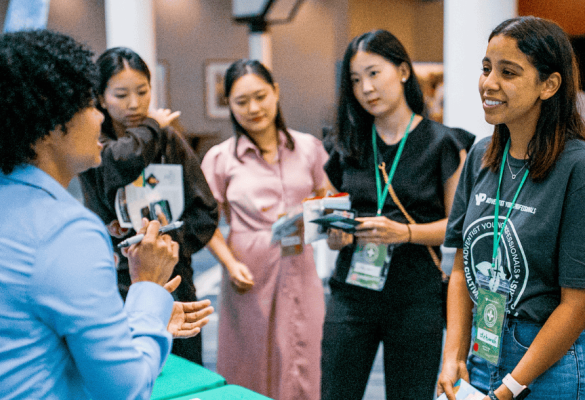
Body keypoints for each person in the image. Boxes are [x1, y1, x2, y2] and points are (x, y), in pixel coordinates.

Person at [0, 29, 213, 400]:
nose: (98, 117)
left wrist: (143, 319)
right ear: (50, 123)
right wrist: (148, 289)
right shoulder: (66, 231)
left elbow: (37, 336)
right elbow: (124, 388)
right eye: (89, 104)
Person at [320, 30, 474, 400]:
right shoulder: (347, 143)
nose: (366, 88)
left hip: (416, 293)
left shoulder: (443, 143)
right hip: (352, 290)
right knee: (336, 392)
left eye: (374, 73)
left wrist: (403, 232)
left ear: (403, 71)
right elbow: (333, 206)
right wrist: (335, 232)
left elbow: (459, 227)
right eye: (356, 80)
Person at [438, 16, 585, 400]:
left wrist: (511, 387)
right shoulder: (480, 158)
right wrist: (452, 351)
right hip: (480, 350)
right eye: (486, 69)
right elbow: (459, 266)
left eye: (509, 72)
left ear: (549, 85)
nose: (489, 83)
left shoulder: (577, 167)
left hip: (546, 363)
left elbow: (577, 305)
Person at [78, 47, 218, 365]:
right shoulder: (93, 143)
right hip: (116, 278)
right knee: (130, 366)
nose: (134, 104)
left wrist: (169, 245)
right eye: (121, 94)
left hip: (174, 273)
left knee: (186, 366)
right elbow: (120, 161)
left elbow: (206, 209)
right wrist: (152, 126)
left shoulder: (169, 140)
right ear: (100, 98)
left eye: (142, 92)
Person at [200, 59, 328, 400]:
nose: (254, 108)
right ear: (229, 104)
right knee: (250, 360)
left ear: (275, 93)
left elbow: (326, 195)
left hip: (300, 266)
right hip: (249, 273)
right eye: (241, 101)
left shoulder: (308, 148)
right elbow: (205, 223)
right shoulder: (220, 158)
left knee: (305, 354)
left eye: (260, 96)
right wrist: (229, 264)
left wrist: (321, 219)